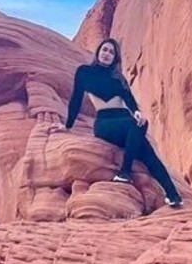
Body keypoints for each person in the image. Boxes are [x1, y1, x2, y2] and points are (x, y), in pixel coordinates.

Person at [64, 38, 183, 208]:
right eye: (105, 50)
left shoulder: (118, 78)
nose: (107, 54)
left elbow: (130, 100)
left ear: (115, 58)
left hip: (125, 121)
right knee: (138, 128)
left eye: (112, 52)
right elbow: (75, 99)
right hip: (104, 123)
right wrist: (67, 126)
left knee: (148, 151)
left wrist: (137, 112)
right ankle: (125, 171)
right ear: (98, 52)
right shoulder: (84, 72)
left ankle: (173, 195)